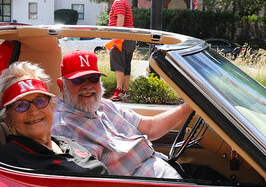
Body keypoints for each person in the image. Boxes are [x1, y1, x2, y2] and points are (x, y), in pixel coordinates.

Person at [52, 50, 193, 178]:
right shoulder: (64, 128)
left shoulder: (104, 105)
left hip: (161, 165)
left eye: (93, 78)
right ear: (61, 86)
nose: (88, 86)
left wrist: (190, 107)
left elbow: (150, 127)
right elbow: (94, 183)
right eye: (78, 80)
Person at [0, 61, 107, 175]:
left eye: (40, 101)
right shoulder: (9, 159)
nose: (34, 111)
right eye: (21, 105)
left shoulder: (66, 143)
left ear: (52, 106)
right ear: (7, 118)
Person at [108, 0, 136, 101]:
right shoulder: (124, 3)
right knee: (126, 65)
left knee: (118, 62)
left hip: (122, 38)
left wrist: (118, 36)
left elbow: (120, 16)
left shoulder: (118, 2)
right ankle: (125, 91)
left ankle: (119, 90)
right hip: (129, 38)